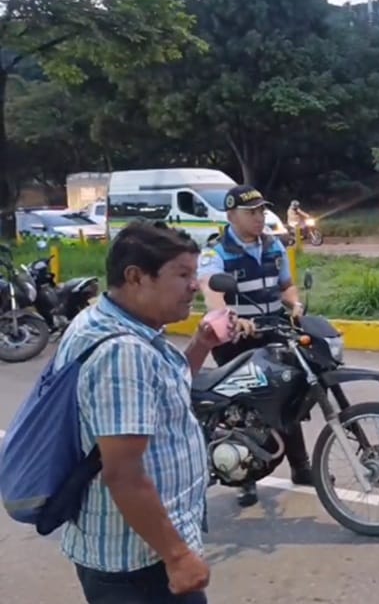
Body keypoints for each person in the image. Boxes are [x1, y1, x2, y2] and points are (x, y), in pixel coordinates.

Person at [56, 219, 234, 603]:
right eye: (182, 274)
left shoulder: (109, 322)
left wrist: (201, 345)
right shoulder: (122, 351)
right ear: (136, 277)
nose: (194, 285)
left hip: (139, 550)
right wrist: (178, 556)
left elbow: (161, 394)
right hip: (138, 565)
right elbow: (123, 474)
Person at [197, 184, 312, 508]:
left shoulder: (273, 245)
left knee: (288, 398)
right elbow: (213, 295)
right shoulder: (215, 252)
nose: (260, 217)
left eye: (262, 210)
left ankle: (301, 467)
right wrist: (232, 319)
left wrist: (295, 304)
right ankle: (244, 478)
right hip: (235, 339)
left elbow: (285, 285)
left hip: (274, 331)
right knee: (243, 409)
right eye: (251, 212)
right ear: (231, 216)